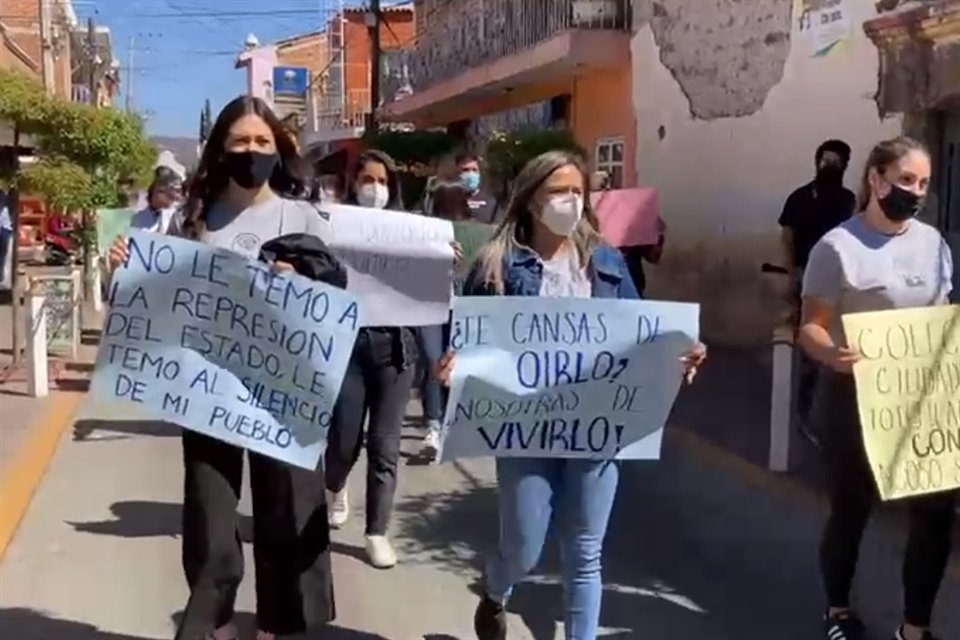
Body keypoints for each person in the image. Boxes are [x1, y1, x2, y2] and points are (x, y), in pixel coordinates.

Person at [435, 150, 707, 640]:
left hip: (595, 426)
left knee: (584, 551)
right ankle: (497, 589)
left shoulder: (605, 261)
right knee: (523, 545)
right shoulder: (497, 263)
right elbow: (466, 336)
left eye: (577, 191)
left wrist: (681, 353)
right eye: (558, 192)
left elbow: (642, 330)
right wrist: (455, 364)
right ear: (531, 199)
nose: (570, 201)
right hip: (524, 428)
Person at [107, 95, 335, 640]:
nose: (251, 152)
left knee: (286, 507)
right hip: (208, 391)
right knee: (210, 513)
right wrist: (123, 269)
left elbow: (334, 306)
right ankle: (216, 619)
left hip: (283, 393)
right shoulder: (193, 219)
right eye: (239, 142)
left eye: (261, 142)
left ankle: (283, 623)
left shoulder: (305, 218)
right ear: (220, 150)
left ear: (278, 150)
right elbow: (153, 295)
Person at [800, 137, 955, 640]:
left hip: (921, 401)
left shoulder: (933, 244)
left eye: (924, 183)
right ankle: (838, 612)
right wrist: (832, 354)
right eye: (906, 180)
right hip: (854, 401)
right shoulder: (837, 248)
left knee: (935, 513)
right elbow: (811, 328)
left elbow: (940, 314)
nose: (915, 191)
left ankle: (915, 628)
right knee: (851, 511)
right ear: (875, 178)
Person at [323, 149, 418, 568]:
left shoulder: (411, 231)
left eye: (382, 182)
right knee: (344, 441)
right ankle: (336, 485)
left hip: (395, 350)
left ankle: (376, 531)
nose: (375, 189)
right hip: (347, 348)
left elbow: (430, 291)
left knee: (386, 447)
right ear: (353, 184)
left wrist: (442, 263)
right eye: (367, 181)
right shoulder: (333, 226)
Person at [780, 139, 857, 438]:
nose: (830, 166)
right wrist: (791, 275)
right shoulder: (800, 198)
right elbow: (787, 237)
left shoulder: (849, 200)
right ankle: (804, 414)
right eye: (825, 161)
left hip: (842, 282)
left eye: (836, 162)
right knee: (811, 349)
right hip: (806, 280)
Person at [415, 180, 470, 458]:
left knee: (452, 363)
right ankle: (434, 426)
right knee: (433, 361)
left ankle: (449, 422)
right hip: (428, 305)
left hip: (458, 305)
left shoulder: (471, 233)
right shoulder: (423, 232)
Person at [457, 152, 498, 223]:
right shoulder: (447, 201)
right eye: (465, 170)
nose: (470, 174)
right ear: (457, 172)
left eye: (474, 170)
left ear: (479, 173)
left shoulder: (491, 202)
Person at [0, 188, 12, 288]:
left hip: (4, 227)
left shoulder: (6, 194)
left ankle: (1, 277)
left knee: (3, 254)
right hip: (4, 227)